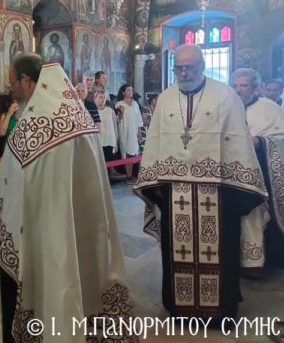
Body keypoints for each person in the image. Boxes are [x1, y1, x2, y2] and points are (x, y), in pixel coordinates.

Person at [0, 53, 135, 343]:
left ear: (26, 80)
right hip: (88, 226)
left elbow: (10, 184)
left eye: (12, 84)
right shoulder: (79, 114)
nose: (12, 91)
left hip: (47, 229)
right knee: (85, 274)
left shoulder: (32, 125)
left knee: (55, 280)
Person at [134, 45, 267, 323]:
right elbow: (156, 141)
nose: (184, 73)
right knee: (177, 251)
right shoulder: (166, 99)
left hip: (218, 194)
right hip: (176, 193)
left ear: (202, 66)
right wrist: (155, 186)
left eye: (189, 67)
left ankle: (219, 311)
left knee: (220, 252)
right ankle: (180, 307)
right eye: (179, 68)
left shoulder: (226, 96)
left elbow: (238, 142)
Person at [231, 68, 284, 277]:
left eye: (243, 85)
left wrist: (260, 142)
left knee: (257, 215)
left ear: (256, 87)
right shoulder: (226, 107)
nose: (238, 90)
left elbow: (281, 139)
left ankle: (257, 263)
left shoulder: (270, 109)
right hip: (231, 173)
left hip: (263, 172)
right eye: (235, 85)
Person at [115, 84, 143, 184]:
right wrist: (121, 113)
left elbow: (139, 118)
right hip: (125, 131)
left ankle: (137, 175)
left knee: (135, 153)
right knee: (127, 154)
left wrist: (139, 130)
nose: (131, 92)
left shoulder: (135, 104)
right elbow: (118, 119)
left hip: (134, 130)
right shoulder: (119, 104)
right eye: (128, 90)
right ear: (123, 92)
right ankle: (129, 177)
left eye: (131, 90)